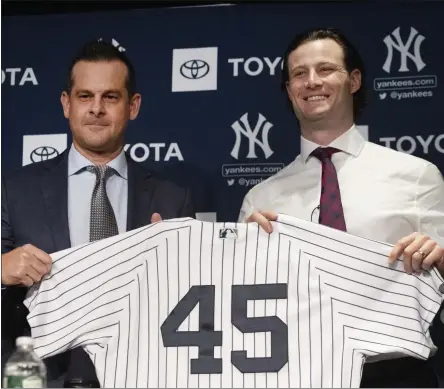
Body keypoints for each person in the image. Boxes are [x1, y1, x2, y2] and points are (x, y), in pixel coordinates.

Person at [238, 28, 444, 387]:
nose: (312, 81)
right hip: (296, 372)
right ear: (289, 90)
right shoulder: (261, 200)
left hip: (395, 373)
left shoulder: (417, 176)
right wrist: (245, 257)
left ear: (353, 80)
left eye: (326, 69)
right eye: (299, 74)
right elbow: (241, 303)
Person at [1, 40, 195, 387]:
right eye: (85, 96)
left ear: (133, 106)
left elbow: (195, 298)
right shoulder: (13, 190)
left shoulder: (171, 198)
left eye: (111, 97)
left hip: (140, 376)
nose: (96, 109)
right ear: (66, 104)